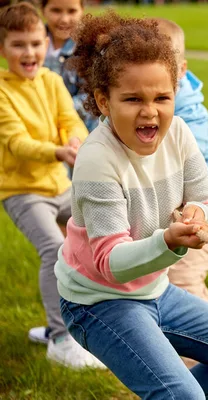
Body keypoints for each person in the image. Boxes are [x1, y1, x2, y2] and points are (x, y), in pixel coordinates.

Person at [55, 11, 208, 399]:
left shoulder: (180, 134)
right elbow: (112, 263)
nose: (150, 111)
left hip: (156, 291)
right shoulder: (97, 160)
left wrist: (201, 215)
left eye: (162, 97)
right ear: (103, 101)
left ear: (177, 91)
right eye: (132, 99)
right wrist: (168, 242)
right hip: (98, 302)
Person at [0, 2, 103, 369]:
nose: (29, 52)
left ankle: (78, 327)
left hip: (60, 185)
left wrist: (75, 141)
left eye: (35, 43)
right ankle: (60, 340)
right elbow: (16, 143)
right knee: (54, 249)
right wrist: (59, 152)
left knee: (96, 239)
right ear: (3, 48)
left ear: (46, 43)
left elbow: (69, 120)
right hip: (23, 192)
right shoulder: (2, 91)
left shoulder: (52, 80)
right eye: (18, 45)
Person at [153, 17, 208, 308]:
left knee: (183, 280)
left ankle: (207, 353)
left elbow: (181, 166)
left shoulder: (186, 114)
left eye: (165, 70)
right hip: (175, 201)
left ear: (182, 70)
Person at [40, 0, 97, 133]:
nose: (64, 19)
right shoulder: (31, 43)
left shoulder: (88, 49)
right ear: (43, 10)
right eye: (56, 10)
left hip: (79, 130)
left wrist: (56, 111)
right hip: (38, 128)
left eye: (71, 11)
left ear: (82, 10)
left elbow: (90, 97)